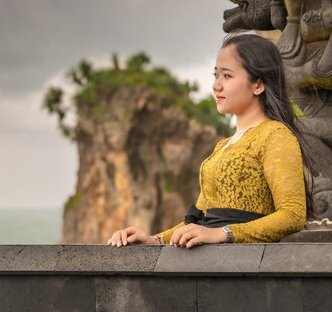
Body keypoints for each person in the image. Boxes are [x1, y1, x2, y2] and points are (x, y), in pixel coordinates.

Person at [107, 34, 310, 249]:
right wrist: (153, 239)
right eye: (216, 75)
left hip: (243, 263)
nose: (216, 85)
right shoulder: (223, 146)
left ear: (258, 85)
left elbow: (293, 215)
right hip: (212, 261)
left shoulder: (275, 136)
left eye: (227, 76)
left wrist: (223, 234)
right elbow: (200, 218)